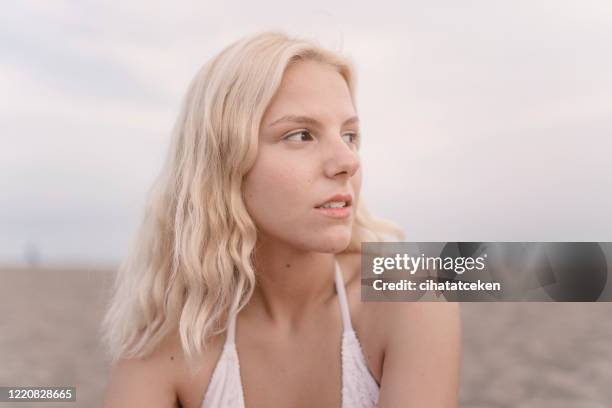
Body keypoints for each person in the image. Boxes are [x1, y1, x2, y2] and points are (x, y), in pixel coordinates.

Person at [101, 31, 461, 408]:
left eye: (350, 135)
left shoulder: (413, 294)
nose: (347, 162)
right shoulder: (172, 337)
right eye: (301, 135)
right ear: (224, 164)